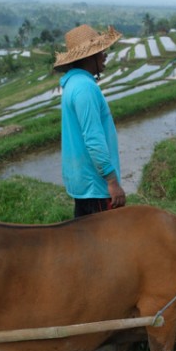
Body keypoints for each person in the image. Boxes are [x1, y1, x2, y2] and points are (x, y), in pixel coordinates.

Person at [54, 24, 126, 217]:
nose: (105, 56)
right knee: (107, 243)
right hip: (97, 185)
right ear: (89, 57)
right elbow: (93, 138)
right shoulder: (85, 88)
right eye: (101, 52)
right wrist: (112, 181)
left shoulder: (72, 83)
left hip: (83, 182)